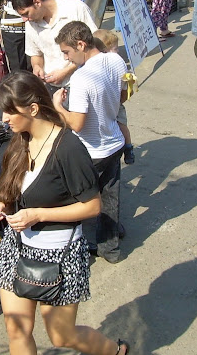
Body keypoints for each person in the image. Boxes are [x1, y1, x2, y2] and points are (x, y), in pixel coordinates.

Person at [0, 71, 130, 355]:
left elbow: (92, 206)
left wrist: (38, 215)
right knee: (17, 331)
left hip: (59, 253)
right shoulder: (19, 140)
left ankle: (114, 352)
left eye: (9, 110)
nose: (4, 118)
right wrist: (4, 205)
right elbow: (20, 191)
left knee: (62, 336)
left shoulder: (68, 147)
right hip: (16, 248)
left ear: (33, 108)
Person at [53, 22, 128, 264]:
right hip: (114, 142)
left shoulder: (82, 77)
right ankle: (111, 248)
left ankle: (77, 249)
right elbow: (124, 94)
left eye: (67, 52)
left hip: (90, 150)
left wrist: (57, 106)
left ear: (81, 45)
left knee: (75, 200)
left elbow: (76, 124)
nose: (67, 58)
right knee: (110, 198)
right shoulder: (116, 61)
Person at [12, 0, 97, 91]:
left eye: (26, 13)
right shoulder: (30, 24)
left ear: (37, 2)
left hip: (82, 84)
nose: (24, 19)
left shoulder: (76, 9)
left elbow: (93, 46)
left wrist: (66, 72)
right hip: (52, 86)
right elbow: (35, 54)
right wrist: (37, 67)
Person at [92, 29, 135, 164]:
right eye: (113, 49)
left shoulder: (119, 64)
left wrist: (130, 85)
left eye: (116, 49)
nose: (116, 53)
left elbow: (128, 87)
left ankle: (128, 147)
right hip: (101, 104)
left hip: (116, 103)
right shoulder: (94, 65)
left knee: (121, 124)